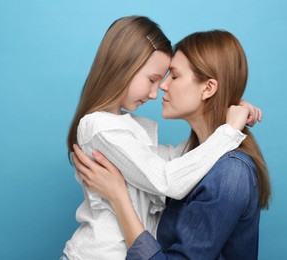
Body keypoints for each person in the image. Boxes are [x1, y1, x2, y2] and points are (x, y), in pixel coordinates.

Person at [63, 16, 261, 260]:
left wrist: (230, 113)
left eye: (172, 77)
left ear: (208, 89)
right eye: (153, 79)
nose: (159, 90)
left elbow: (180, 161)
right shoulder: (101, 127)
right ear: (124, 67)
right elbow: (168, 178)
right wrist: (229, 129)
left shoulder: (230, 171)